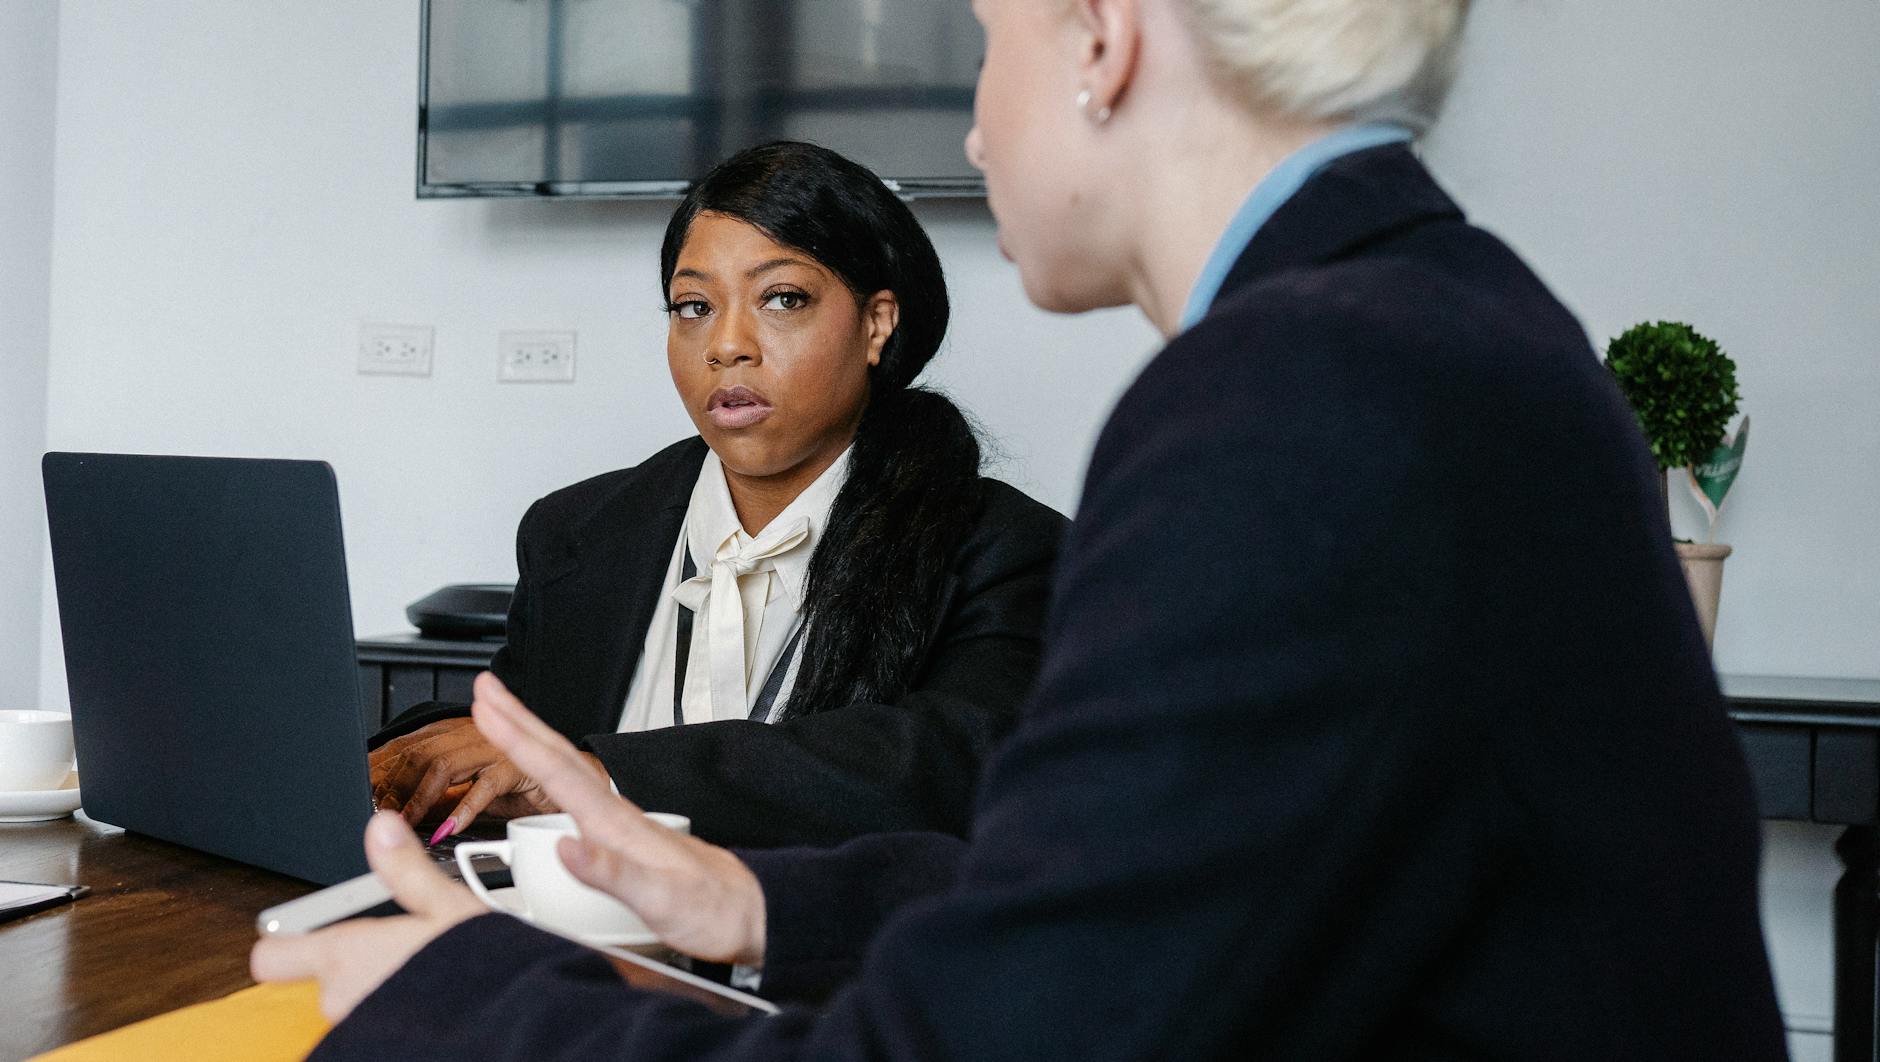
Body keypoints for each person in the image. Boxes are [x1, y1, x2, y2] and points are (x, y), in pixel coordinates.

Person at [255, 0, 1789, 1057]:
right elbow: (1148, 893)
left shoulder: (1295, 400)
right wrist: (756, 898)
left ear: (1102, 42)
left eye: (988, 41)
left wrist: (460, 1002)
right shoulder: (1442, 322)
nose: (978, 139)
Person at [367, 141, 1065, 848]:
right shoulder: (576, 531)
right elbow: (507, 731)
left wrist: (596, 778)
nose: (726, 345)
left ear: (876, 324)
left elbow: (945, 771)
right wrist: (418, 752)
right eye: (693, 305)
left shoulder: (1006, 549)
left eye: (783, 299)